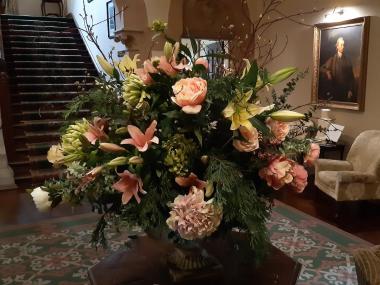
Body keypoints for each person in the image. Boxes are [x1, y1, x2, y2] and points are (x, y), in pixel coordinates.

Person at [320, 37, 355, 102]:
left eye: (343, 45)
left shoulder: (348, 60)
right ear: (337, 46)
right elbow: (321, 68)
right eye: (341, 45)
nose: (343, 46)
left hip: (345, 91)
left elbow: (351, 77)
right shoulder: (332, 59)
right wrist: (327, 72)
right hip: (334, 90)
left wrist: (350, 90)